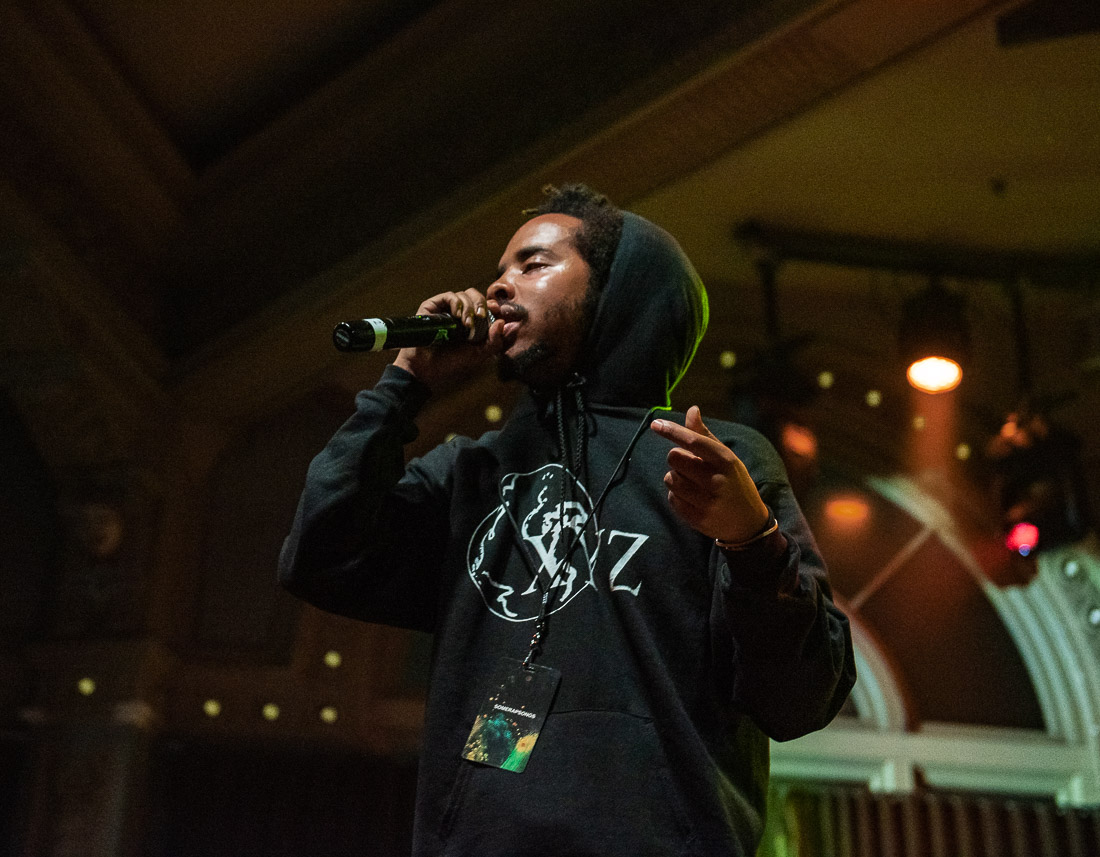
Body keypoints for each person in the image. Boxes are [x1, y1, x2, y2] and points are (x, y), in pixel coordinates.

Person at [279, 184, 856, 855]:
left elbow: (800, 699)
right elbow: (320, 553)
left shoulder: (707, 458)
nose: (498, 287)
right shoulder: (475, 471)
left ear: (615, 292)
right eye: (498, 272)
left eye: (532, 264)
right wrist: (406, 380)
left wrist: (753, 542)